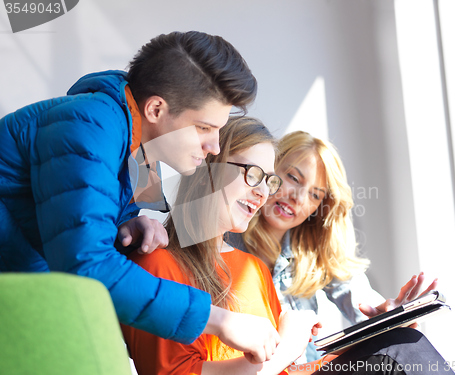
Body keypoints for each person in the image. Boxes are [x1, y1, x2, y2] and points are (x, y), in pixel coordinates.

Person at [0, 31, 280, 362]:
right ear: (156, 108)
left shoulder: (137, 149)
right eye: (204, 128)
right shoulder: (88, 126)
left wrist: (127, 229)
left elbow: (77, 228)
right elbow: (86, 266)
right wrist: (218, 320)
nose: (215, 146)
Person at [227, 131, 453, 374]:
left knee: (405, 341)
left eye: (315, 194)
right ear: (269, 171)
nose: (298, 197)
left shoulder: (311, 255)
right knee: (403, 350)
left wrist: (389, 316)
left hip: (304, 371)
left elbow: (362, 298)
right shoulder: (225, 242)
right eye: (293, 177)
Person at [121, 117, 322, 375]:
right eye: (252, 174)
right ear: (208, 171)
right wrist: (287, 349)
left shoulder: (255, 270)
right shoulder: (156, 266)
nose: (262, 193)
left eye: (269, 181)